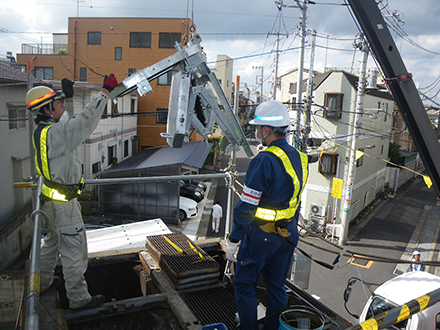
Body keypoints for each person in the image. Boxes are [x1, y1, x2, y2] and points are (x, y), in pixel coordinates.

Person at [26, 74, 118, 310]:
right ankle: (79, 299)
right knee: (73, 249)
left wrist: (67, 99)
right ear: (47, 111)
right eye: (56, 103)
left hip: (50, 201)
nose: (61, 105)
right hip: (65, 205)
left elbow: (64, 121)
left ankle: (42, 283)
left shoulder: (44, 131)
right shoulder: (59, 134)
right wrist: (105, 92)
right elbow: (85, 122)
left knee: (50, 244)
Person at [225, 100, 308, 330]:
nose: (256, 132)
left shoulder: (264, 160)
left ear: (267, 130)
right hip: (288, 232)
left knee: (244, 283)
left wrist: (234, 239)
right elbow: (296, 199)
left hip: (262, 235)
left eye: (258, 128)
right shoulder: (299, 158)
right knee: (276, 286)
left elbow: (248, 206)